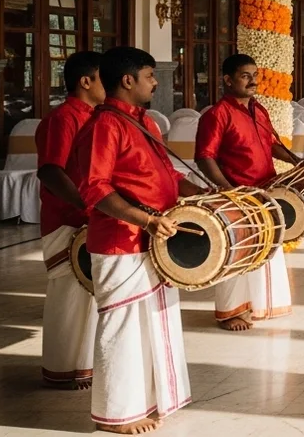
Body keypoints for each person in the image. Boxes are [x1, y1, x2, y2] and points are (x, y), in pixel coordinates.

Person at [67, 47, 197, 435]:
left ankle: (148, 400)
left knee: (153, 323)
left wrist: (202, 195)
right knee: (123, 327)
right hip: (120, 243)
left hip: (154, 241)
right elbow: (94, 189)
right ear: (127, 80)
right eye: (150, 75)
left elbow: (169, 177)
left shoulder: (146, 124)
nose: (155, 82)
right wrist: (147, 220)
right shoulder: (104, 126)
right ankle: (117, 413)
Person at [195, 53, 297, 331]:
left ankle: (261, 305)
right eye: (245, 76)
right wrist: (227, 189)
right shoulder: (217, 115)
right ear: (228, 80)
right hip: (238, 194)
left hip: (266, 190)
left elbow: (271, 143)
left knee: (265, 249)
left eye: (255, 75)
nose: (253, 81)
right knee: (237, 254)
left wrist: (295, 161)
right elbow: (205, 157)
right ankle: (229, 313)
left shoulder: (258, 109)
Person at [35, 51, 105, 389]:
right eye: (103, 77)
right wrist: (87, 203)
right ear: (85, 81)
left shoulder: (96, 116)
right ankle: (61, 369)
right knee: (68, 293)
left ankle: (82, 366)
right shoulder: (64, 118)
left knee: (88, 296)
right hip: (66, 217)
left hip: (88, 215)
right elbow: (50, 170)